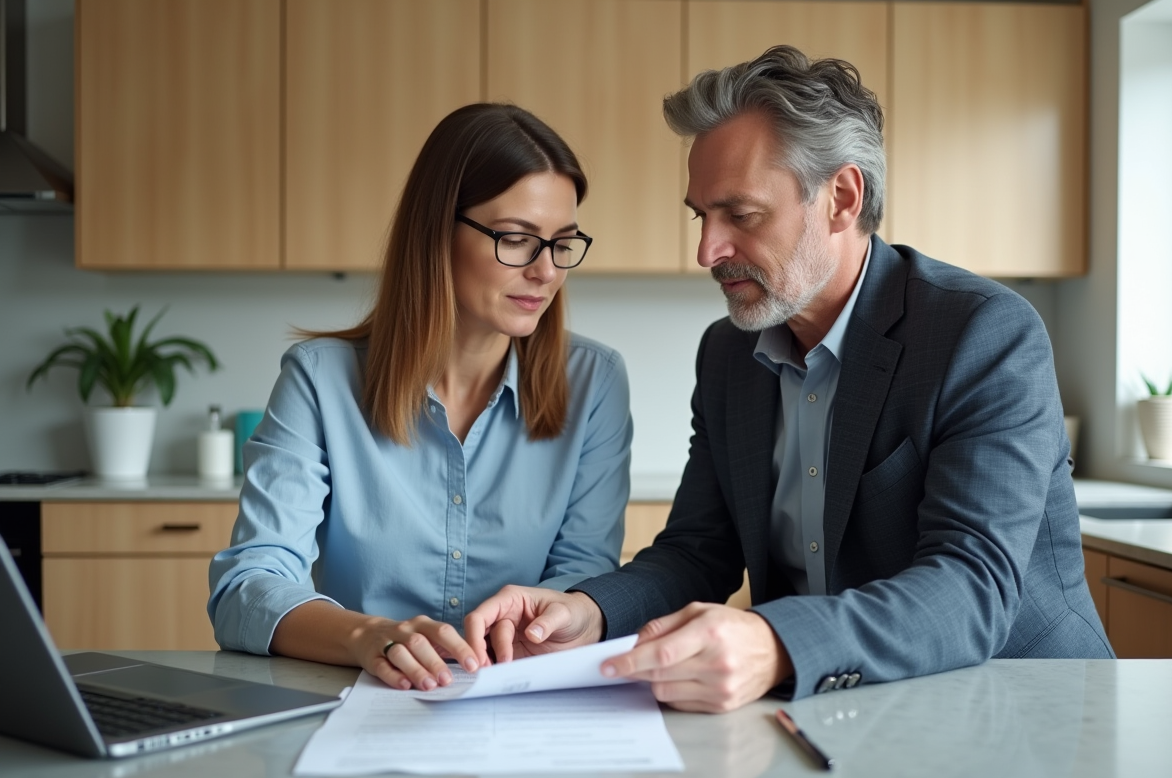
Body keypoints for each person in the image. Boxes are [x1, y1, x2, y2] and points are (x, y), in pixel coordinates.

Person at [464, 46, 1114, 712]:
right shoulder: (727, 355)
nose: (706, 251)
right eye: (701, 216)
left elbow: (971, 587)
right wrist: (587, 610)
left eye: (740, 216)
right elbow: (698, 551)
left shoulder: (982, 332)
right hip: (835, 712)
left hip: (1024, 714)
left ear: (841, 197)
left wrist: (775, 641)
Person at [208, 104, 633, 692]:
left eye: (562, 243)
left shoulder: (595, 382)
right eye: (516, 239)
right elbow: (247, 588)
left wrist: (545, 621)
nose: (545, 271)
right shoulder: (319, 379)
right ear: (438, 229)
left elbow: (585, 577)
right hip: (361, 703)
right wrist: (366, 636)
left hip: (519, 701)